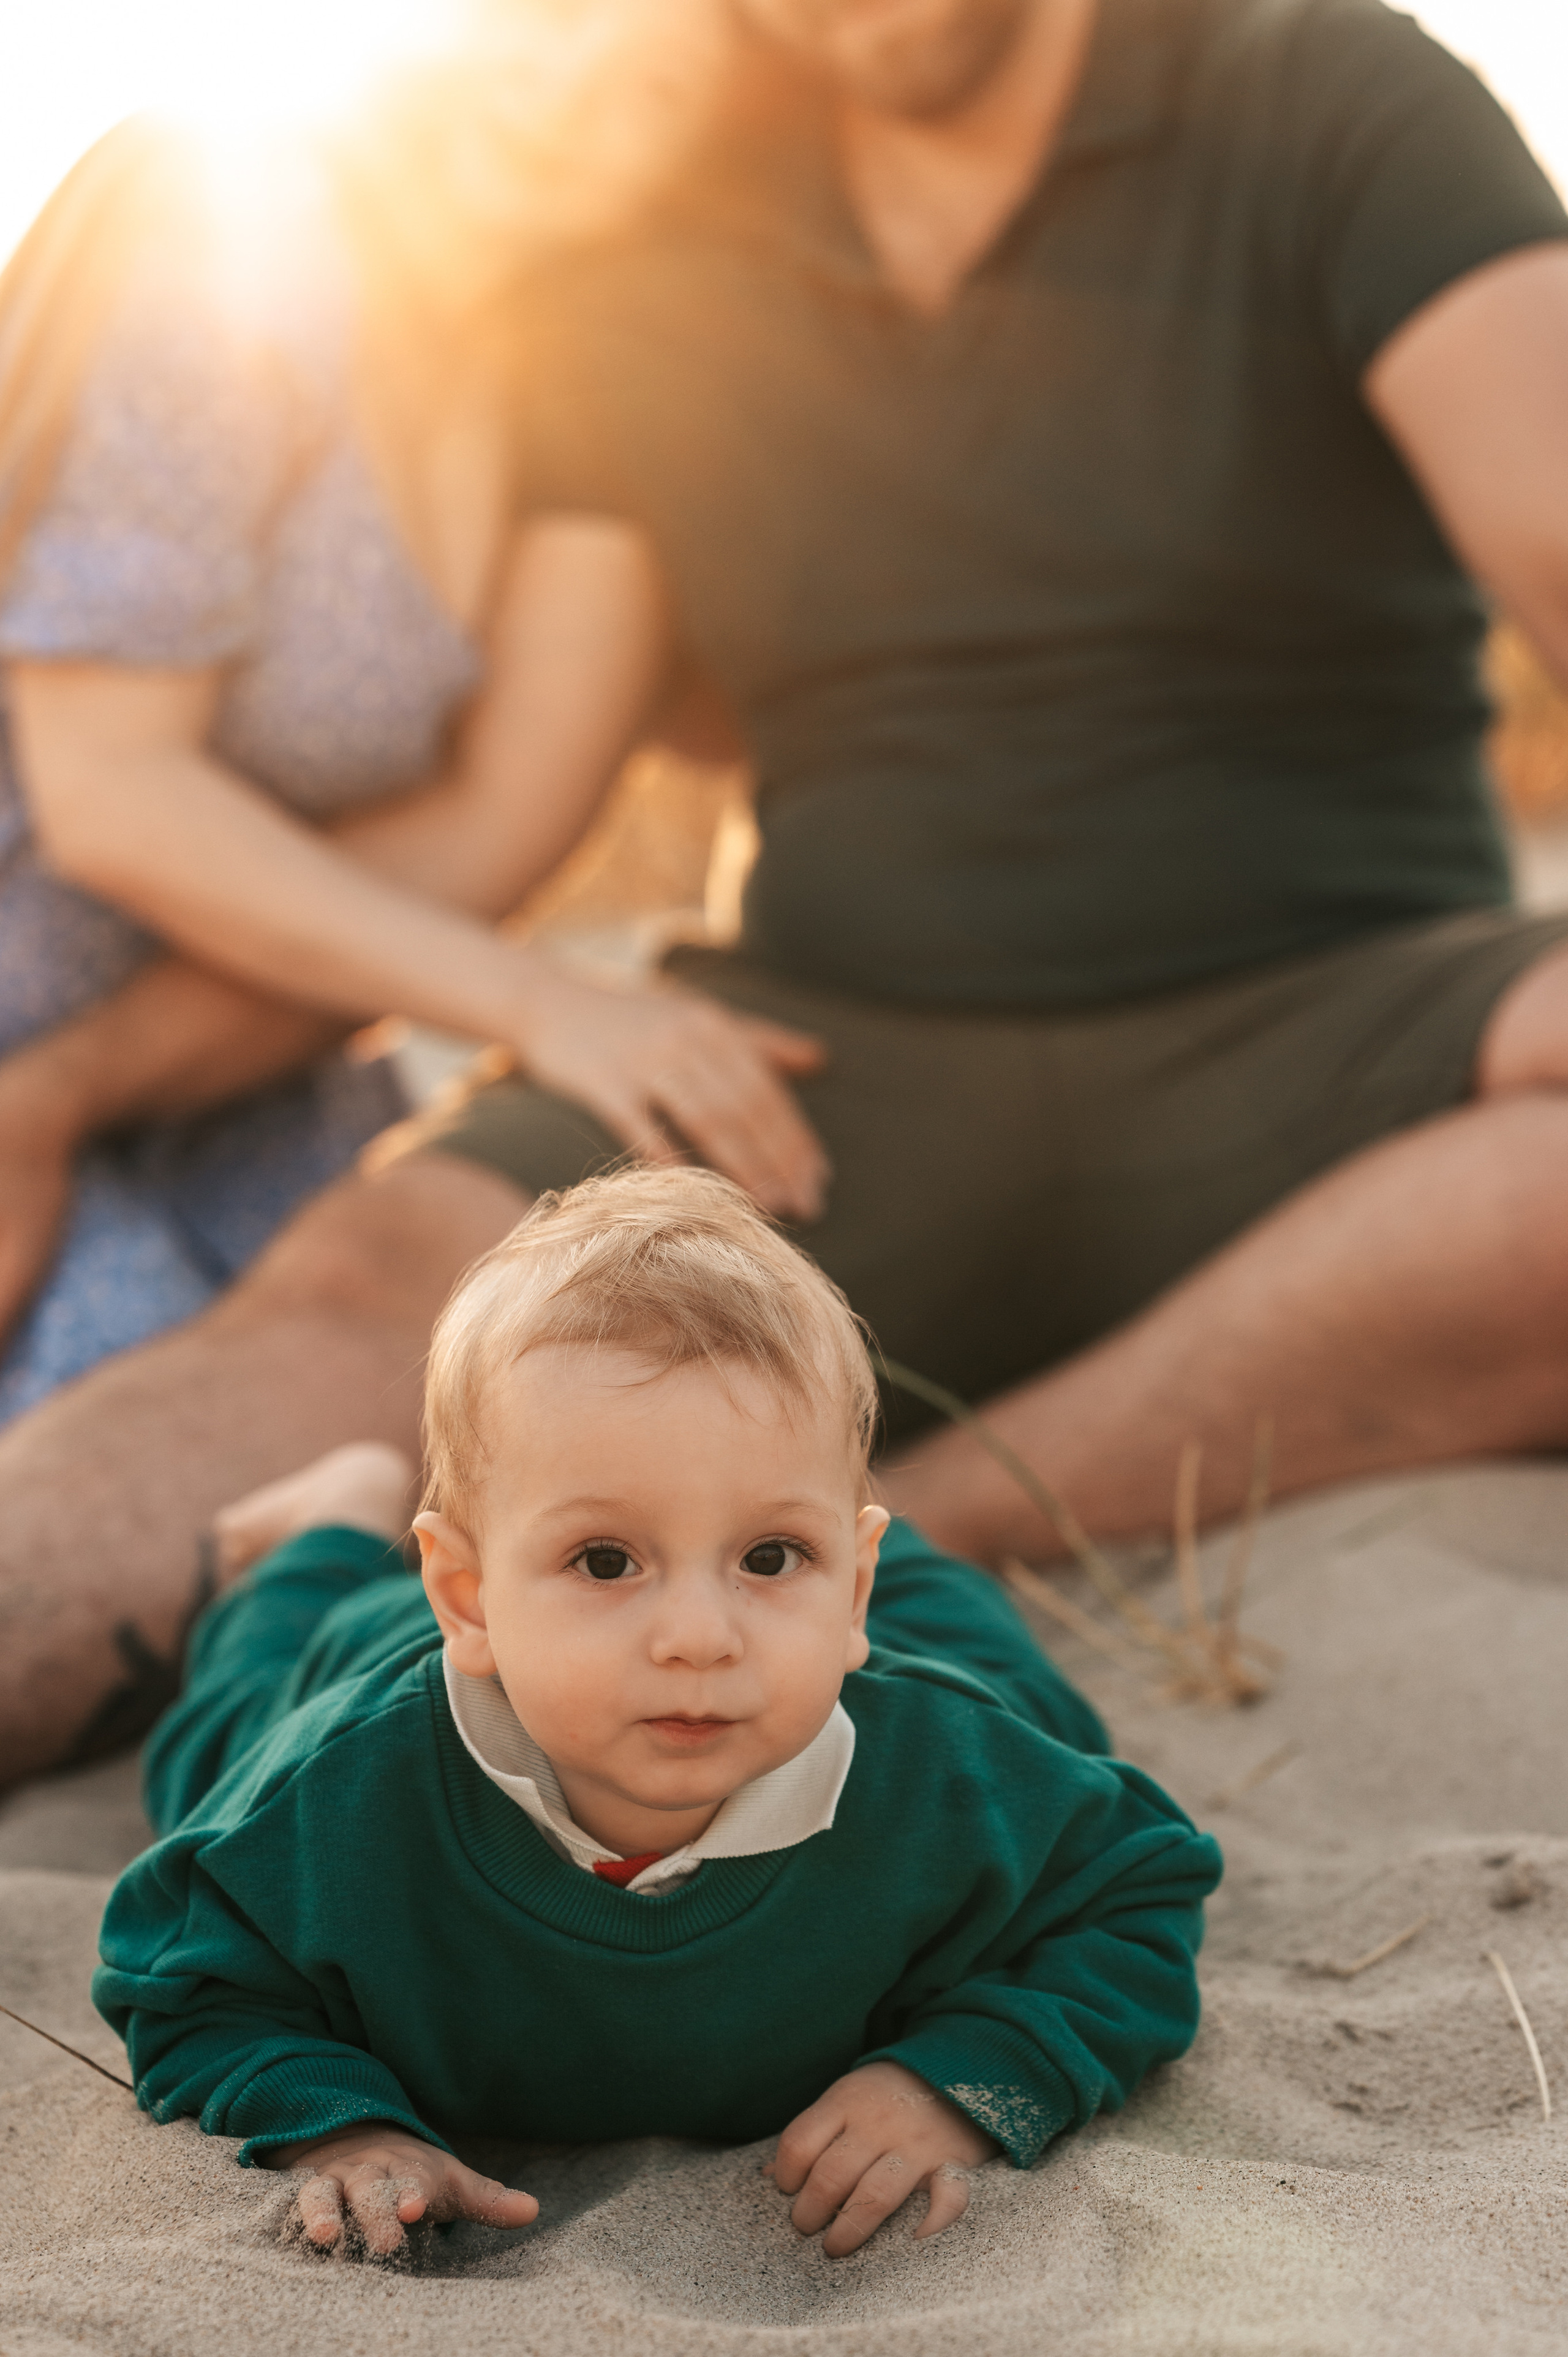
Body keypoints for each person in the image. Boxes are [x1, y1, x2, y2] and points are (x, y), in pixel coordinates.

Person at [6, 0, 1568, 1789]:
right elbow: (505, 817)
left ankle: (881, 1543)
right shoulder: (667, 234)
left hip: (1345, 1023)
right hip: (824, 1061)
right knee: (377, 1280)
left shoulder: (1328, 87)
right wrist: (75, 1081)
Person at [93, 1168, 1221, 2260]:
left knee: (1024, 1700)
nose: (698, 1634)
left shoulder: (947, 1763)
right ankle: (330, 1524)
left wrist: (966, 2078)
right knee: (216, 1742)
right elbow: (177, 1975)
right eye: (606, 1559)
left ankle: (855, 1543)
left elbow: (1138, 1896)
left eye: (768, 1554)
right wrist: (338, 2126)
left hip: (879, 1658)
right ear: (469, 1597)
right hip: (363, 1660)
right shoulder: (339, 1791)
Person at [0, 2, 827, 1424]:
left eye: (655, 88)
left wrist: (78, 1090)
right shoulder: (230, 219)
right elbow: (109, 794)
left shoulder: (562, 402)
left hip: (221, 1080)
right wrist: (537, 1001)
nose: (568, 92)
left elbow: (491, 819)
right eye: (553, 21)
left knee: (408, 1470)